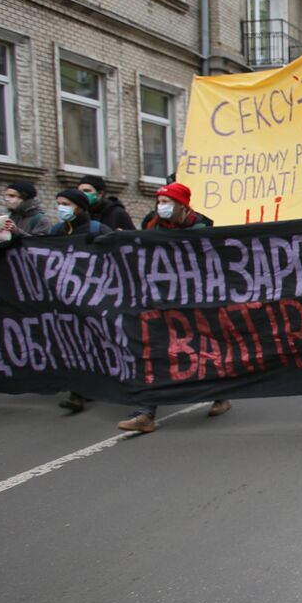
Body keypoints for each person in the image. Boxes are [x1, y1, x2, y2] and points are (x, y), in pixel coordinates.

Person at [118, 183, 231, 432]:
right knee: (154, 350)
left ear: (181, 205)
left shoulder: (202, 227)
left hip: (194, 298)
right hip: (159, 298)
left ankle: (221, 395)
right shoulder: (152, 224)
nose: (162, 207)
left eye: (167, 202)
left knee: (203, 347)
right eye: (160, 202)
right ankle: (146, 412)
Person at [48, 189, 114, 413]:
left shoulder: (97, 230)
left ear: (79, 207)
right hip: (66, 297)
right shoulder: (59, 230)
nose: (61, 207)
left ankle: (97, 383)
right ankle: (78, 392)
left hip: (95, 296)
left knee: (94, 340)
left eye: (65, 203)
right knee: (73, 342)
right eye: (58, 203)